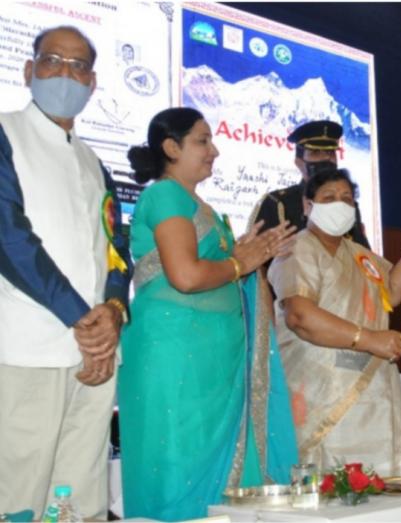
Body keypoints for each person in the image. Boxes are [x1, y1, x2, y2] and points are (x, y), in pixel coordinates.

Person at [117, 107, 297, 521]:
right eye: (202, 140)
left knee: (212, 468)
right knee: (178, 464)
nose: (213, 150)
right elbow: (185, 276)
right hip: (177, 353)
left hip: (213, 355)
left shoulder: (202, 207)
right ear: (170, 147)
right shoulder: (165, 195)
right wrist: (241, 263)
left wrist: (252, 253)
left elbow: (217, 268)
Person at [0, 26, 131, 520]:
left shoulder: (95, 162)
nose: (65, 73)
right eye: (53, 60)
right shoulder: (5, 133)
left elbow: (117, 250)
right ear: (29, 70)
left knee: (80, 496)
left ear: (92, 82)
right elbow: (8, 238)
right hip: (27, 347)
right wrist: (83, 320)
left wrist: (115, 311)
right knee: (21, 490)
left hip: (94, 355)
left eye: (78, 65)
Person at [268, 167, 401, 476]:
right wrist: (369, 339)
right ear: (308, 206)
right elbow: (299, 316)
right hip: (321, 392)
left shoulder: (359, 254)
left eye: (347, 198)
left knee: (382, 480)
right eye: (329, 197)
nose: (339, 204)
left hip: (373, 388)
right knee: (337, 483)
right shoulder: (297, 248)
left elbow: (390, 292)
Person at [251, 119, 370, 249]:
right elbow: (260, 260)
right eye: (316, 153)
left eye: (330, 153)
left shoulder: (348, 205)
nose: (325, 159)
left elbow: (363, 256)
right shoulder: (279, 203)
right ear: (299, 162)